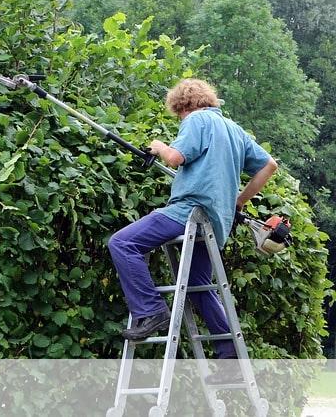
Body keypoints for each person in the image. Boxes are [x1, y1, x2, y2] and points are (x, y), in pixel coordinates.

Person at [107, 78, 278, 363]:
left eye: (178, 114)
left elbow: (175, 158)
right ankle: (228, 348)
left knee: (122, 243)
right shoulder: (235, 130)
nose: (180, 119)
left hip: (188, 211)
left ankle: (150, 311)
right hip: (216, 221)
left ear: (183, 106)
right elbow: (269, 165)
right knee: (199, 285)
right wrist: (238, 201)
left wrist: (159, 146)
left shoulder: (196, 120)